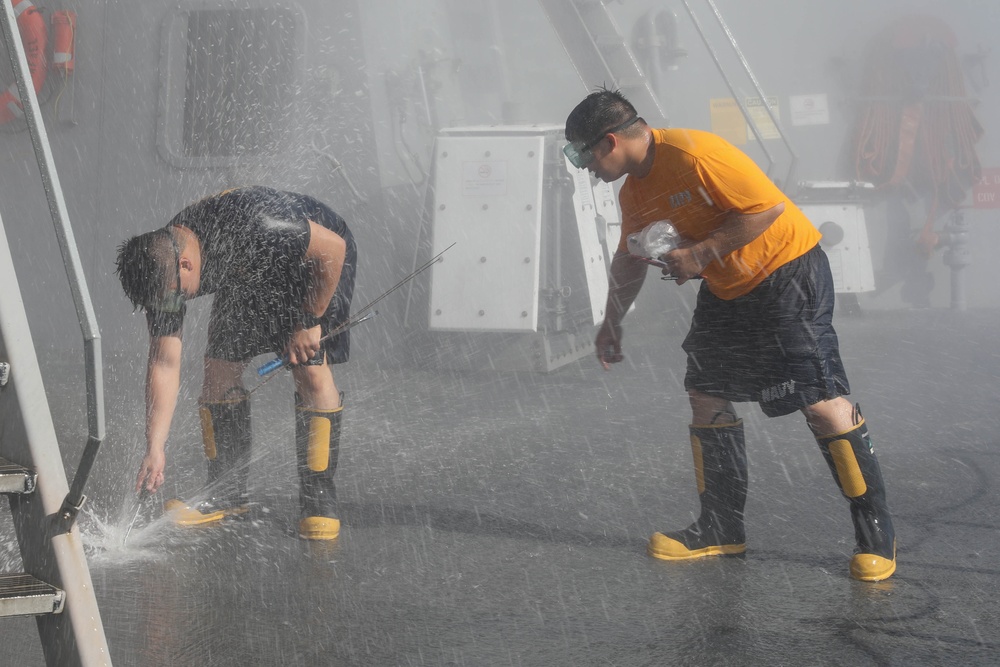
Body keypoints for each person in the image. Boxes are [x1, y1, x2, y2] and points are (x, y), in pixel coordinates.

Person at [563, 89, 896, 581]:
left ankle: (876, 534)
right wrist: (612, 321)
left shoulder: (696, 154)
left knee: (821, 403)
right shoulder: (633, 192)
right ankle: (721, 527)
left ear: (609, 141)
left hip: (788, 272)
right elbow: (629, 259)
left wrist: (698, 254)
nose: (584, 167)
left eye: (581, 154)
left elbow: (766, 209)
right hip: (727, 288)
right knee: (706, 394)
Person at [115, 186, 356, 541]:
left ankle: (318, 498)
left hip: (315, 264)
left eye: (177, 296)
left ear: (186, 265)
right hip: (247, 273)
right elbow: (164, 362)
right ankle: (226, 494)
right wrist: (155, 447)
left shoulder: (261, 223)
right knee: (218, 371)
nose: (175, 305)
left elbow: (333, 248)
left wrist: (309, 321)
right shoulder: (161, 268)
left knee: (310, 371)